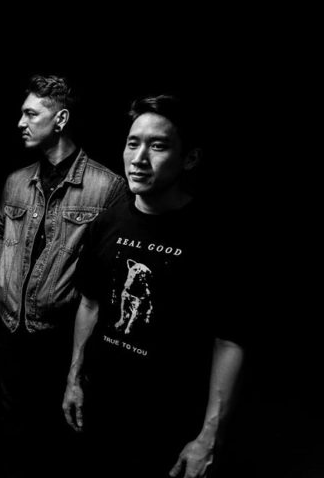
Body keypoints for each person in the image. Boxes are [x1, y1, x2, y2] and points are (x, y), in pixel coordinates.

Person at [62, 95, 245, 477]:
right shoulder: (106, 224)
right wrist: (74, 378)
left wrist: (210, 435)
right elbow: (90, 304)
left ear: (189, 158)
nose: (139, 158)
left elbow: (228, 341)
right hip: (102, 408)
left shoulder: (215, 238)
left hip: (169, 424)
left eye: (157, 146)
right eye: (133, 143)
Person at [0, 74, 127, 476]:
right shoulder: (16, 181)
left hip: (61, 337)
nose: (21, 122)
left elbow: (109, 274)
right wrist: (1, 281)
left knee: (59, 435)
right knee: (13, 428)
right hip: (10, 329)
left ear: (61, 119)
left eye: (31, 114)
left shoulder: (107, 187)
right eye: (22, 113)